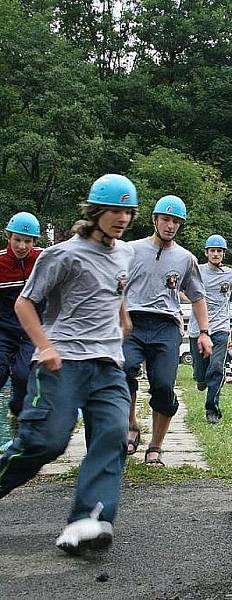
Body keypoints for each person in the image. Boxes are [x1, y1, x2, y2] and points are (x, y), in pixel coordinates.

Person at [0, 174, 137, 554]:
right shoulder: (63, 254)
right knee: (45, 442)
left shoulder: (126, 254)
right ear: (94, 212)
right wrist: (43, 346)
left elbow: (116, 288)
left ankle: (87, 519)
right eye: (114, 210)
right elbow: (24, 303)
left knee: (113, 436)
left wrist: (123, 317)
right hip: (63, 361)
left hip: (108, 363)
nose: (121, 218)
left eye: (128, 211)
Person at [123, 195, 211, 465]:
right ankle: (131, 426)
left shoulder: (185, 258)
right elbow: (114, 286)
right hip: (132, 322)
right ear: (154, 220)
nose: (170, 225)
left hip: (166, 326)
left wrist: (205, 333)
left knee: (162, 385)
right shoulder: (130, 250)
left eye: (176, 221)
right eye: (166, 219)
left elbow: (197, 296)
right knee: (122, 371)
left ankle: (156, 447)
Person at [188, 235, 232, 424]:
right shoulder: (196, 271)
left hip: (221, 327)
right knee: (201, 372)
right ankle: (200, 378)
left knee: (216, 368)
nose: (215, 254)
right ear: (206, 253)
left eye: (219, 251)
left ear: (223, 254)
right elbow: (182, 290)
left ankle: (211, 409)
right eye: (212, 250)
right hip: (197, 328)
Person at [0, 212, 43, 418]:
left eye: (27, 241)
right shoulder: (1, 263)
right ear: (8, 237)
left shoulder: (43, 259)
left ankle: (17, 413)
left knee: (23, 376)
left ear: (34, 241)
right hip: (4, 330)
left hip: (31, 331)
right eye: (17, 240)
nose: (22, 246)